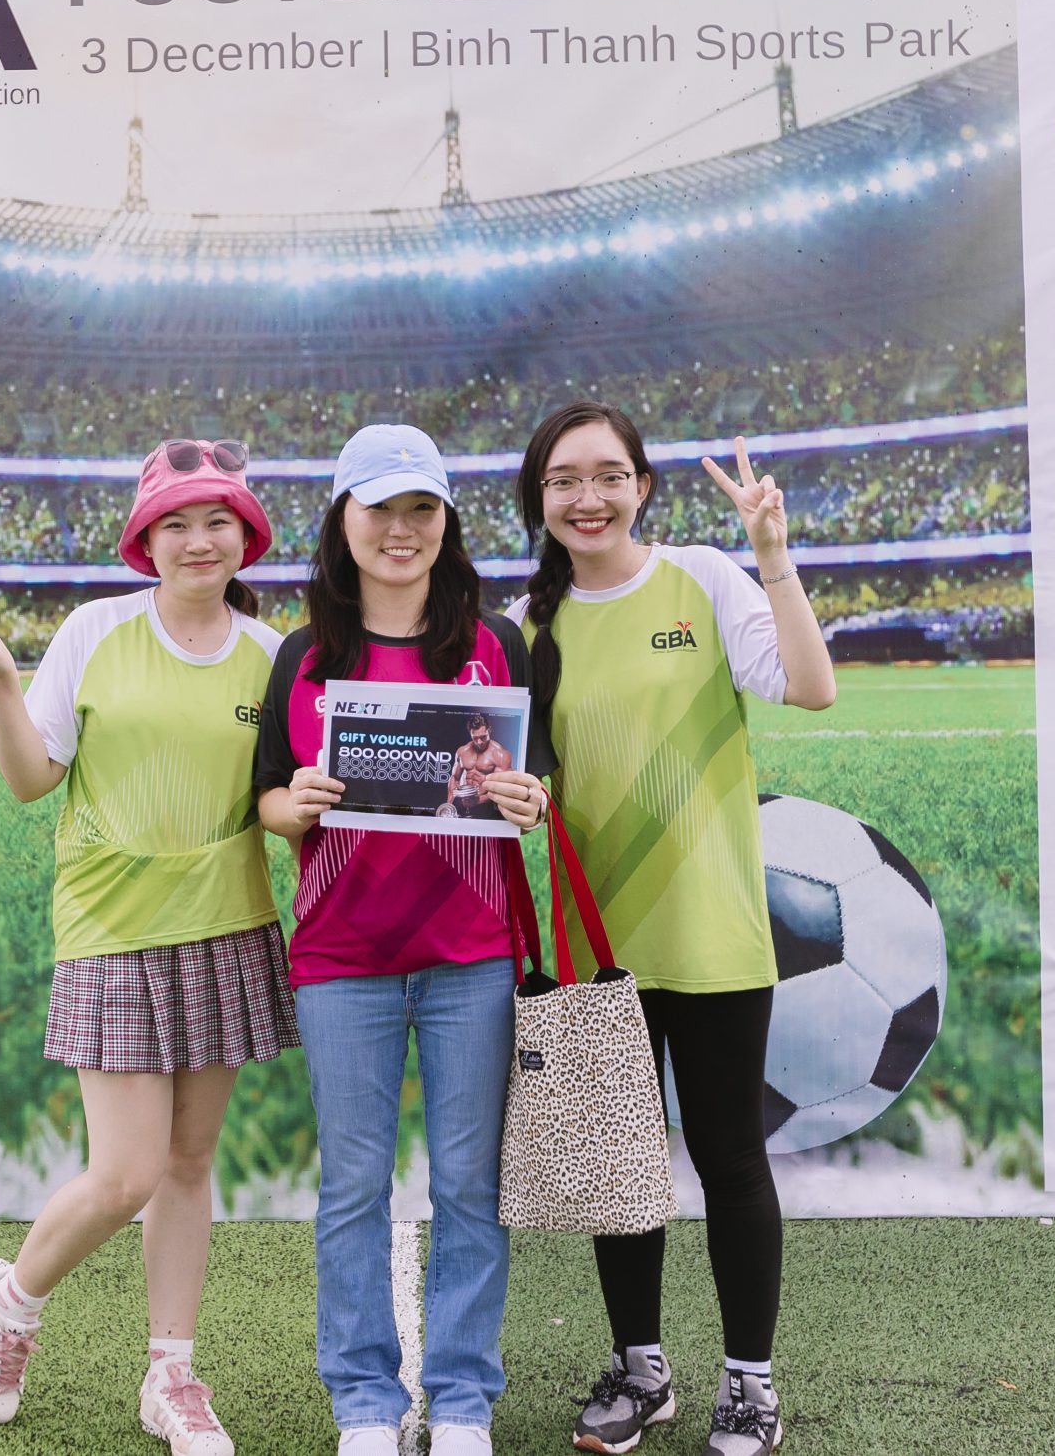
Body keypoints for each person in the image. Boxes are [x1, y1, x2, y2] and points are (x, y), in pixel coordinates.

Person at [0, 439, 297, 1456]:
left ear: (246, 536)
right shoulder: (96, 630)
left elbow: (284, 801)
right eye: (175, 522)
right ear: (145, 539)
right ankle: (10, 1297)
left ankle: (172, 1374)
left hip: (226, 925)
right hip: (114, 930)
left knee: (190, 1162)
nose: (198, 539)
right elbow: (32, 779)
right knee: (126, 1173)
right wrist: (1, 684)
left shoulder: (274, 657)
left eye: (216, 520)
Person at [509, 403, 836, 1456]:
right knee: (621, 1163)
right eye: (565, 480)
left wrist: (772, 554)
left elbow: (811, 688)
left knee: (731, 1157)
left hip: (713, 932)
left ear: (642, 486)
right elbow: (519, 785)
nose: (588, 498)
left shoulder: (702, 578)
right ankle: (641, 1372)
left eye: (608, 475)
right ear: (539, 497)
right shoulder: (526, 627)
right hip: (597, 945)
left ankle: (750, 1386)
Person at [253, 425, 550, 1456]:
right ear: (343, 518)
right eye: (379, 507)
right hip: (342, 961)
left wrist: (528, 797)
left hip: (472, 957)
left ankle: (462, 1401)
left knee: (469, 1184)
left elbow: (536, 778)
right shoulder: (303, 656)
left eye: (421, 508)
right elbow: (267, 798)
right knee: (353, 1189)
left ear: (445, 521)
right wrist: (291, 804)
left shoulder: (494, 643)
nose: (400, 528)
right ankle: (365, 1404)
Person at [447, 715, 512, 820]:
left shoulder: (500, 754)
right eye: (475, 738)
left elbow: (501, 788)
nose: (479, 742)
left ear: (489, 730)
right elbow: (454, 777)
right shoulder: (462, 751)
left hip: (486, 805)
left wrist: (478, 800)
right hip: (463, 802)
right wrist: (449, 805)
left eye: (483, 737)